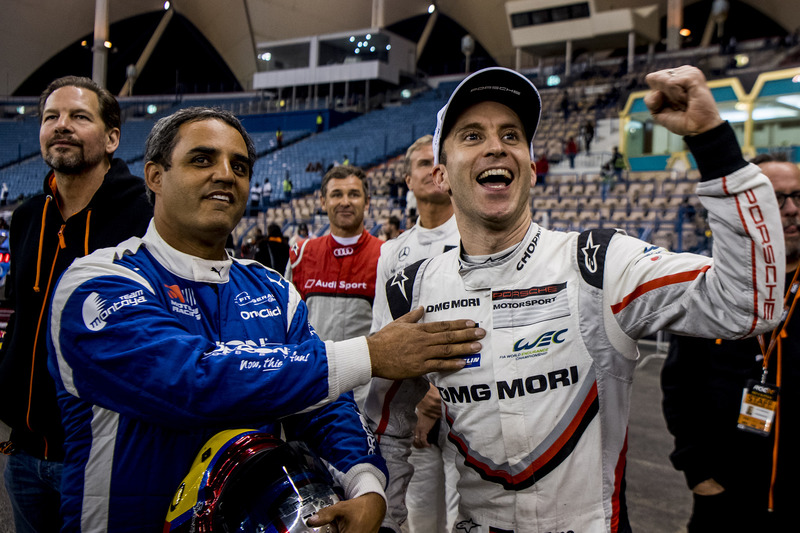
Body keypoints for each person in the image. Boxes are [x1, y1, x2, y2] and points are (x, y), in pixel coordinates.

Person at [371, 65, 782, 533]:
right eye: (471, 135)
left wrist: (713, 142)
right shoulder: (412, 288)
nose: (495, 145)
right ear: (441, 175)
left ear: (530, 164)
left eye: (511, 134)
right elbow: (387, 426)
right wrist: (387, 520)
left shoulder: (599, 264)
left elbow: (750, 303)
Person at [46, 107, 485, 532]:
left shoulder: (271, 289)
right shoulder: (98, 283)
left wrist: (365, 484)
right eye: (202, 159)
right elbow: (193, 381)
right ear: (155, 175)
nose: (224, 174)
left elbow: (321, 404)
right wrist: (369, 354)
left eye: (239, 166)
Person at [0, 75, 153, 533]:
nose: (61, 126)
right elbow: (24, 319)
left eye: (79, 117)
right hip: (24, 453)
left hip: (103, 458)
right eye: (51, 117)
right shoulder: (29, 215)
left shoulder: (146, 218)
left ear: (111, 138)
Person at [661, 153, 799, 532]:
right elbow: (680, 388)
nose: (790, 210)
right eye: (776, 199)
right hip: (724, 502)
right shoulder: (707, 287)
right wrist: (699, 476)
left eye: (798, 197)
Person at [367, 134, 461, 533]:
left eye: (438, 161)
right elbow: (383, 334)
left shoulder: (477, 234)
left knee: (470, 517)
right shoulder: (392, 252)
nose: (432, 170)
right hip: (413, 408)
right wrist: (420, 396)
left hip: (467, 404)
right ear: (407, 179)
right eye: (422, 163)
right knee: (422, 520)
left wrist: (441, 391)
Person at [286, 166, 383, 407]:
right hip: (312, 391)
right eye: (337, 194)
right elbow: (286, 328)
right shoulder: (301, 254)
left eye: (353, 194)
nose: (345, 202)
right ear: (322, 201)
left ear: (367, 202)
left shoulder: (386, 255)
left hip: (365, 396)